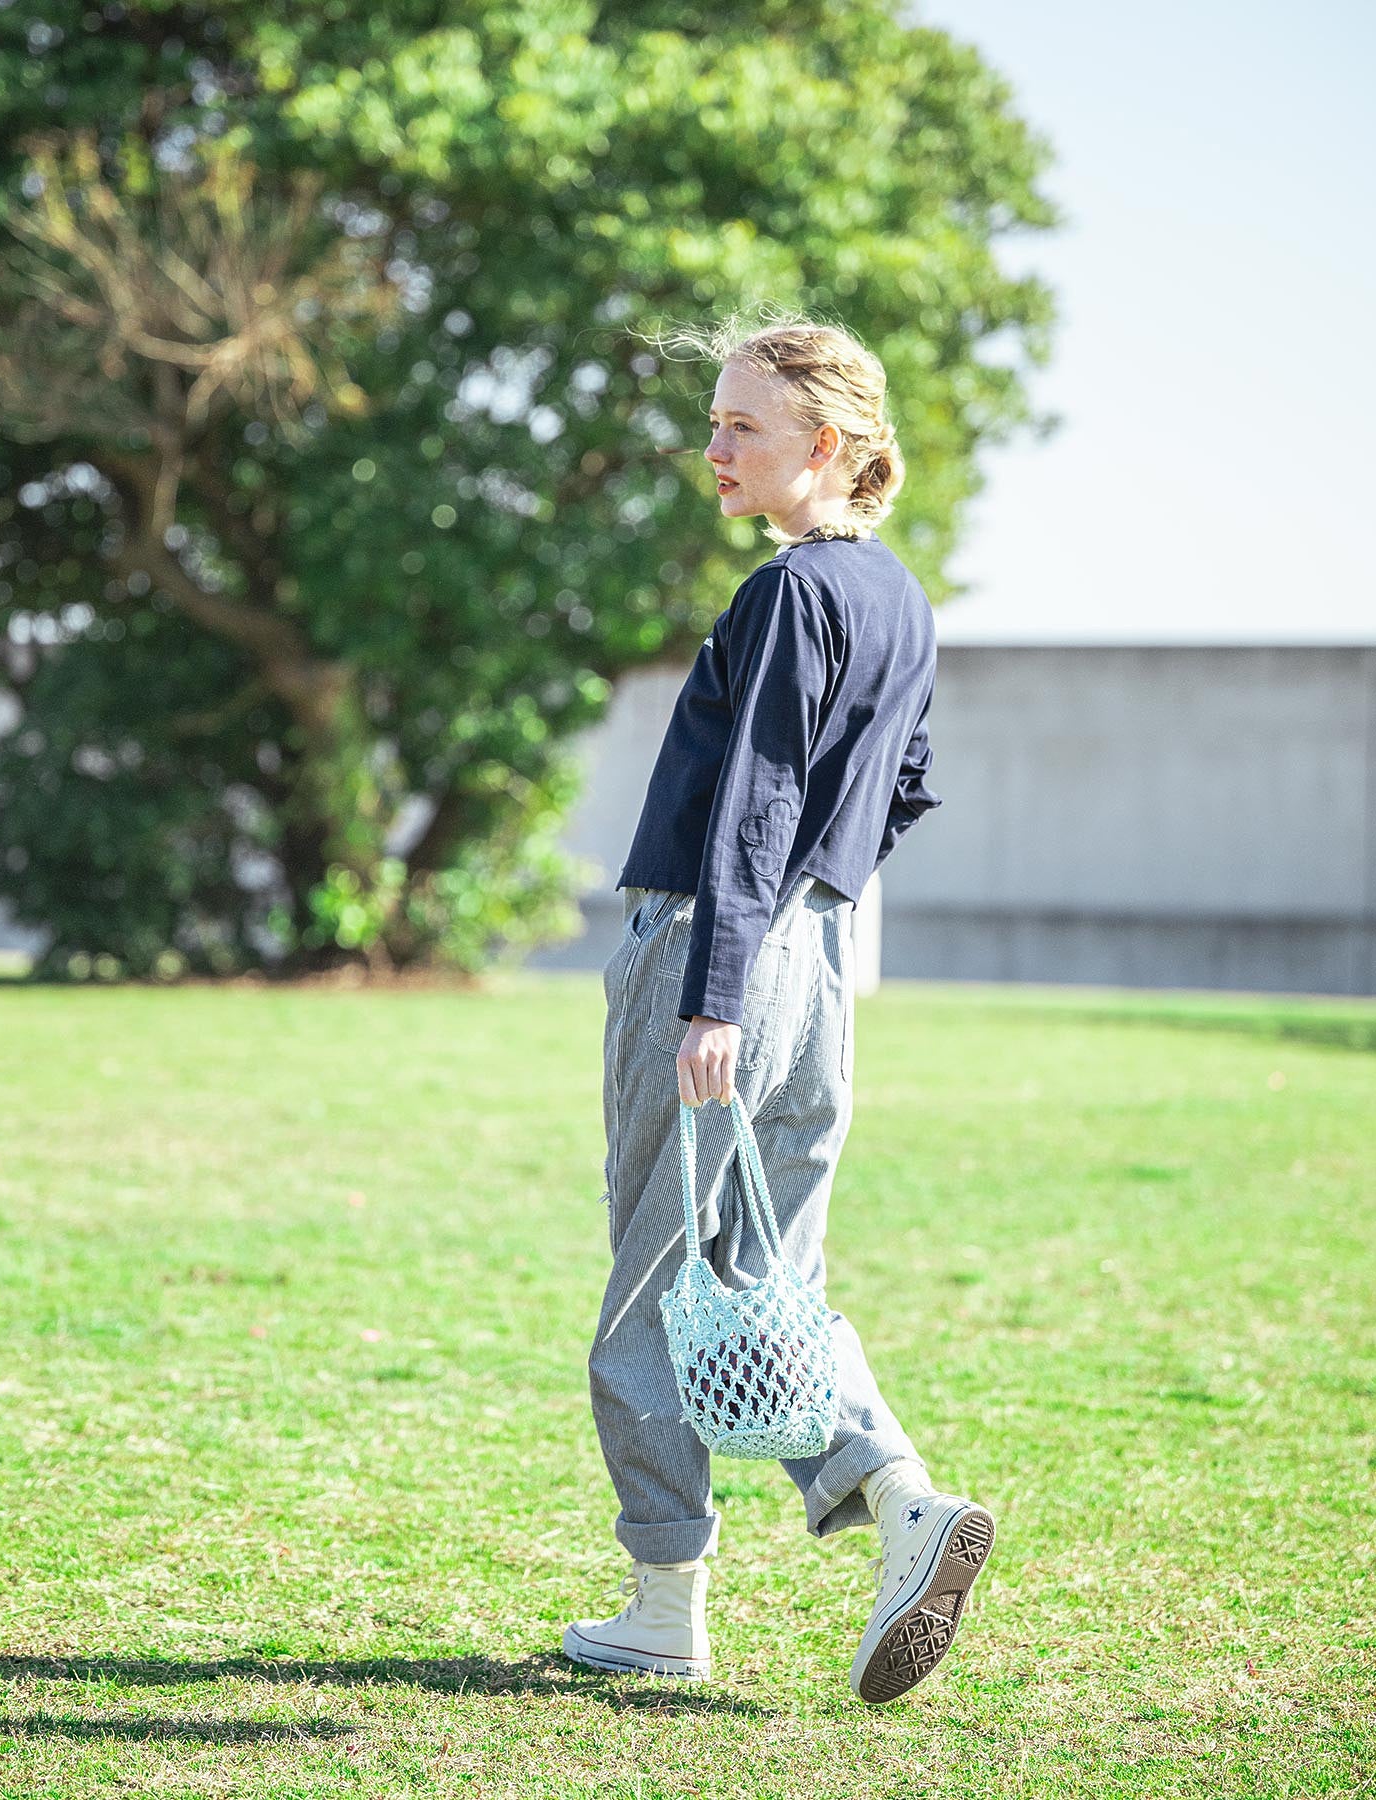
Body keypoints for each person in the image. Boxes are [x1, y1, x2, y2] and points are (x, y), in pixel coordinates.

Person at [561, 316, 995, 1705]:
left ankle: (665, 1606)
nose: (714, 451)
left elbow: (747, 806)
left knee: (653, 1278)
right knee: (760, 1276)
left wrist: (716, 991)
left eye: (741, 426)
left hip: (716, 948)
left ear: (828, 444)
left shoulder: (789, 596)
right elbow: (906, 785)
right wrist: (813, 914)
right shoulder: (902, 602)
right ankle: (899, 1500)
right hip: (816, 960)